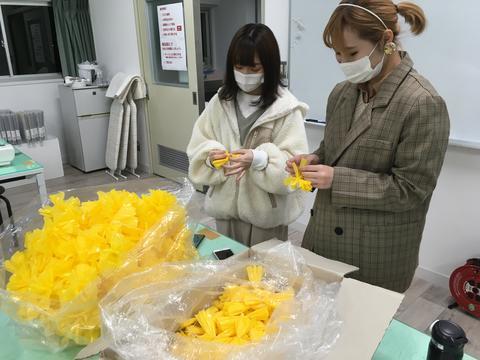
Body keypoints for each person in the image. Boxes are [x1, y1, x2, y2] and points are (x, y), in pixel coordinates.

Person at [287, 0, 449, 292]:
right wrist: (313, 160)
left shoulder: (422, 102)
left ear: (386, 40)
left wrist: (336, 179)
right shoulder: (341, 93)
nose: (345, 63)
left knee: (362, 329)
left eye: (352, 53)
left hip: (375, 253)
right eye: (337, 55)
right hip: (322, 236)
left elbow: (411, 189)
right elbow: (333, 149)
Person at [187, 23, 308, 247]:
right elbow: (198, 143)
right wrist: (210, 158)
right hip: (225, 208)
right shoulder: (220, 102)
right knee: (227, 268)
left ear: (270, 67)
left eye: (254, 69)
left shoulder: (286, 108)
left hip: (266, 214)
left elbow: (296, 166)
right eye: (239, 67)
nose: (245, 75)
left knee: (264, 274)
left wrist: (261, 159)